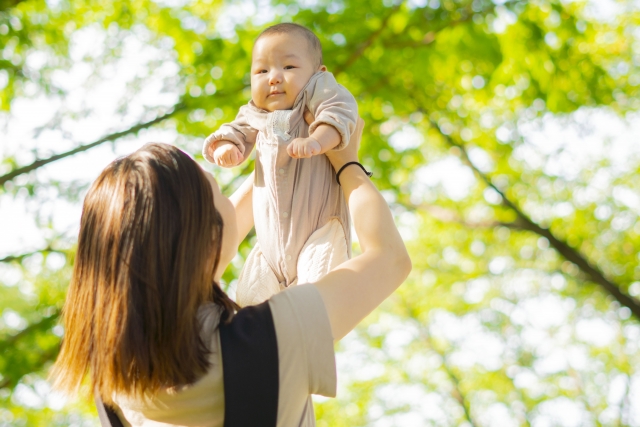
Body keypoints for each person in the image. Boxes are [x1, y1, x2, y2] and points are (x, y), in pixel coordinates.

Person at [50, 116, 411, 426]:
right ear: (204, 238)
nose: (230, 201)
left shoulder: (114, 383)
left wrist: (279, 154)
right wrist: (347, 161)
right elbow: (389, 257)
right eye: (219, 194)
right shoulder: (276, 335)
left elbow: (223, 230)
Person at [203, 23, 359, 307]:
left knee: (314, 301)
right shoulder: (254, 112)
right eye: (261, 71)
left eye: (288, 67)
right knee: (249, 304)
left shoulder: (315, 97)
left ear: (318, 74)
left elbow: (340, 111)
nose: (273, 78)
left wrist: (319, 140)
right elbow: (235, 130)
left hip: (319, 233)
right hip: (270, 248)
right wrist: (227, 147)